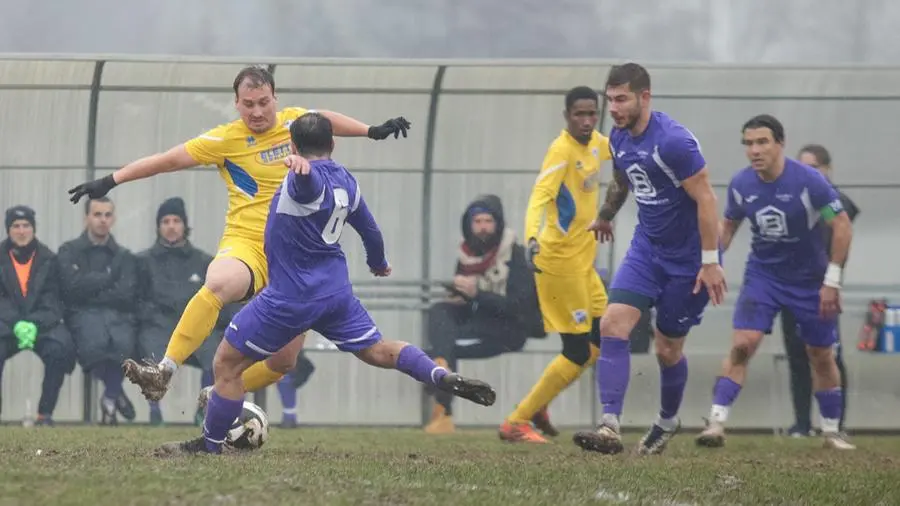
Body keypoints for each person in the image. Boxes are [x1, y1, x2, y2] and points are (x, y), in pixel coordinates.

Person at [66, 66, 411, 404]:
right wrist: (111, 181)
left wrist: (372, 131)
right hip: (248, 244)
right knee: (218, 282)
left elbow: (325, 118)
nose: (257, 111)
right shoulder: (225, 139)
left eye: (263, 102)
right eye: (248, 104)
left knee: (284, 362)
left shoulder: (296, 122)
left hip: (296, 256)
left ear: (275, 98)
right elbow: (167, 160)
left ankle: (218, 394)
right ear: (236, 103)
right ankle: (164, 371)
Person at [156, 112, 495, 455]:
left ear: (292, 145)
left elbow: (309, 189)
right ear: (333, 144)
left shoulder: (301, 181)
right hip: (335, 294)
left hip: (290, 297)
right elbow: (370, 230)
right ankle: (439, 376)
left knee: (226, 365)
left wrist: (301, 173)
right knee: (376, 350)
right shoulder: (347, 181)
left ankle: (210, 445)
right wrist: (378, 263)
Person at [572, 63, 726, 455]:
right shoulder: (618, 139)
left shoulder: (674, 142)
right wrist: (605, 216)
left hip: (690, 260)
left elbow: (707, 199)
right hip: (647, 249)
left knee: (667, 349)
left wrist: (710, 261)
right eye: (610, 100)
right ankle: (609, 426)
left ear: (645, 97)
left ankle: (667, 420)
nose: (614, 109)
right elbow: (624, 178)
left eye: (621, 99)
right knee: (612, 323)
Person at [695, 115, 855, 450]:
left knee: (820, 355)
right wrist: (708, 262)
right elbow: (728, 227)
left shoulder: (809, 182)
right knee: (743, 344)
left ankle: (830, 432)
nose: (755, 150)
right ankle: (715, 423)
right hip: (764, 277)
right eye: (749, 144)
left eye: (762, 142)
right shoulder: (741, 185)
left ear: (780, 143)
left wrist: (832, 280)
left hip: (810, 280)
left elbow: (840, 224)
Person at [498, 86, 611, 444]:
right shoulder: (561, 150)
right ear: (567, 116)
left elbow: (628, 151)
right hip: (559, 264)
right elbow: (540, 196)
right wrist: (531, 237)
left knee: (603, 339)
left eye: (592, 113)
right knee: (577, 351)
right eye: (579, 114)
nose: (587, 120)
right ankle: (516, 422)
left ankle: (539, 403)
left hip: (585, 264)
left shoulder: (598, 143)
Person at [424, 194, 541, 435]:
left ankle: (441, 402)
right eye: (477, 221)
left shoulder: (515, 254)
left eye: (488, 220)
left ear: (498, 224)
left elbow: (519, 306)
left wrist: (477, 295)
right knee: (440, 313)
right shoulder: (467, 254)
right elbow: (469, 301)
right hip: (478, 322)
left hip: (508, 330)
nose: (483, 227)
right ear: (468, 225)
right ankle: (440, 370)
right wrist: (460, 295)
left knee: (443, 348)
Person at [135, 197, 240, 425]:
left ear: (184, 225)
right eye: (166, 221)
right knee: (151, 353)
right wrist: (150, 317)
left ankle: (204, 411)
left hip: (197, 326)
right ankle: (155, 412)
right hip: (158, 325)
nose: (171, 226)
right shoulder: (142, 262)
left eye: (176, 220)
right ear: (158, 226)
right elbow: (135, 299)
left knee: (216, 357)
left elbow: (220, 297)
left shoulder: (204, 262)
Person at [782, 144, 859, 436]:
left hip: (822, 290)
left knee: (828, 357)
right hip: (791, 288)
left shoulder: (834, 200)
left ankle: (835, 424)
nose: (807, 174)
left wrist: (832, 280)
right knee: (797, 356)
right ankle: (801, 424)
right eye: (802, 167)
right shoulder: (795, 197)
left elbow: (842, 234)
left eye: (813, 167)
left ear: (827, 169)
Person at [58, 197, 139, 425]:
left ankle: (110, 397)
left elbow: (126, 293)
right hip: (81, 315)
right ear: (86, 218)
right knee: (93, 345)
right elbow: (70, 288)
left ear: (113, 219)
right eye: (97, 214)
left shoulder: (124, 256)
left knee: (124, 345)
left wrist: (89, 285)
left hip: (117, 315)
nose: (102, 220)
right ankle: (116, 394)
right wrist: (108, 279)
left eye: (107, 215)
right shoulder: (69, 250)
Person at [0, 206, 76, 425]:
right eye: (16, 226)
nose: (21, 231)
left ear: (33, 229)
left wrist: (33, 323)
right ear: (8, 229)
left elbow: (54, 300)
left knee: (59, 350)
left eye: (26, 226)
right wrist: (15, 323)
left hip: (41, 326)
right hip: (7, 326)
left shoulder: (49, 259)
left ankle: (45, 414)